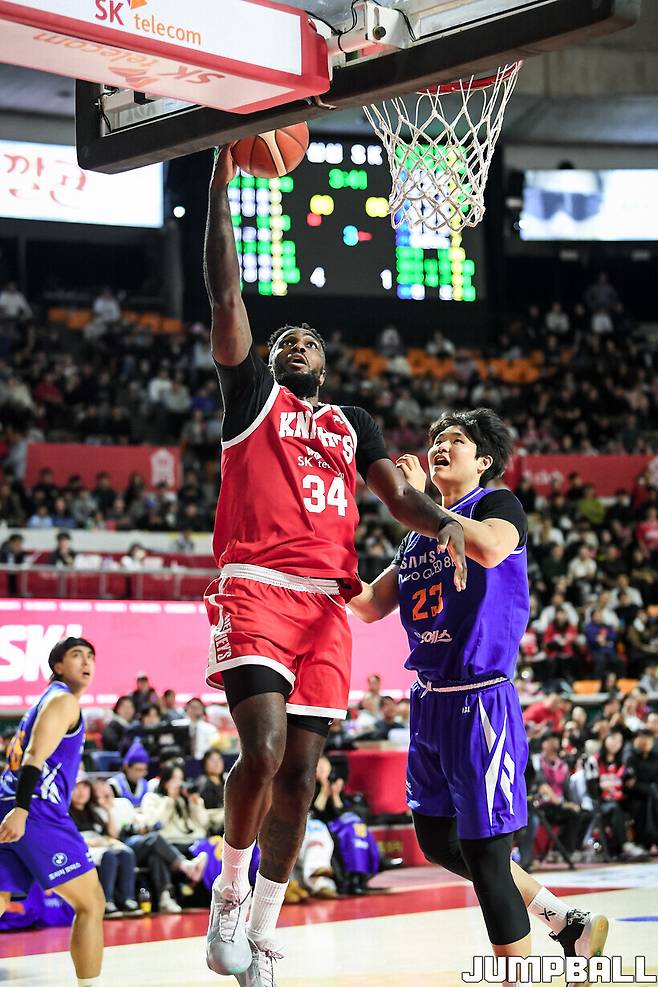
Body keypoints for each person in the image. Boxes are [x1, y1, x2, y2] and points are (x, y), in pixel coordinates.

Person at [202, 145, 466, 987]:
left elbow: (400, 498)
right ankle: (228, 894)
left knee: (302, 776)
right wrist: (218, 184)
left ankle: (260, 937)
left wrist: (450, 526)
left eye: (308, 340)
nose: (295, 344)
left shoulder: (353, 423)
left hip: (326, 605)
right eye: (285, 338)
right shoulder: (253, 398)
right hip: (256, 586)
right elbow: (227, 294)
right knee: (263, 750)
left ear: (325, 363)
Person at [349, 410, 608, 987]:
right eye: (436, 439)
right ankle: (564, 922)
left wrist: (417, 500)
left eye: (456, 440)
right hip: (428, 702)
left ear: (483, 460)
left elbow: (489, 550)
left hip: (480, 700)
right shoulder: (416, 534)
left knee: (488, 855)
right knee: (438, 841)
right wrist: (321, 560)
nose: (440, 446)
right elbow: (368, 606)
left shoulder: (497, 504)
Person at [0, 637, 106, 987]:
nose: (86, 662)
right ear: (57, 666)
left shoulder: (44, 702)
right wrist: (21, 809)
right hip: (35, 811)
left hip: (9, 802)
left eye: (90, 656)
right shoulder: (63, 700)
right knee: (91, 903)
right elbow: (34, 756)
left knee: (0, 897)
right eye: (77, 655)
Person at [69, 778, 140, 919]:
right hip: (80, 848)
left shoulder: (93, 812)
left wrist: (108, 810)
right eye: (77, 788)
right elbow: (67, 838)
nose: (81, 792)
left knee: (126, 853)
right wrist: (90, 842)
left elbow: (111, 835)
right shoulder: (65, 813)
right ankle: (106, 901)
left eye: (85, 788)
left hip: (101, 846)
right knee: (109, 856)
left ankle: (127, 898)